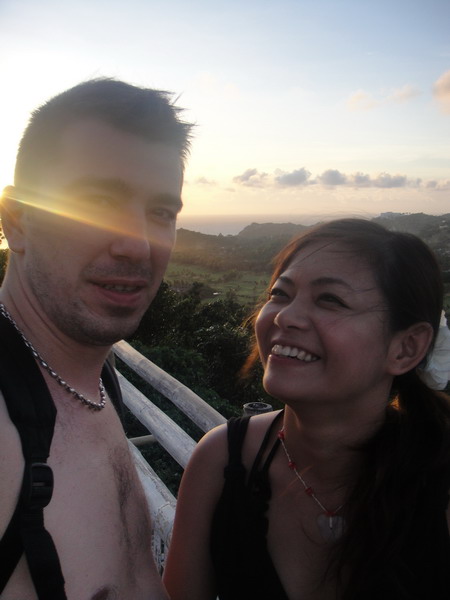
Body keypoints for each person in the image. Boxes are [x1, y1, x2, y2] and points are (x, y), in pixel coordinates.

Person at [163, 218, 450, 600]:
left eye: (330, 300)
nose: (284, 316)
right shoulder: (220, 460)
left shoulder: (438, 480)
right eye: (280, 294)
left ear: (406, 348)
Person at [0, 78, 192, 599]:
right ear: (17, 220)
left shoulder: (96, 376)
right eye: (99, 201)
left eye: (161, 213)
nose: (138, 245)